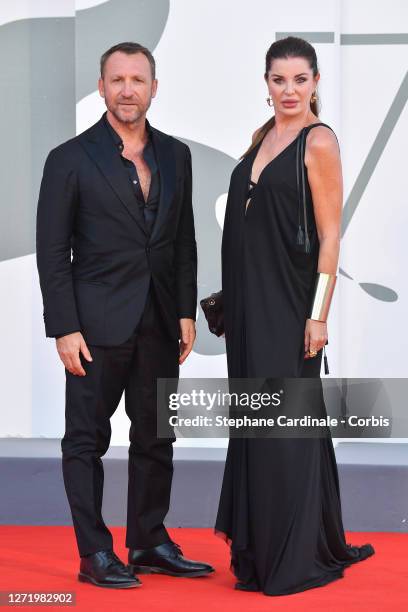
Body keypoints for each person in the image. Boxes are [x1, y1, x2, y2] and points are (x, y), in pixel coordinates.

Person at [36, 41, 214, 589]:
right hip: (93, 328)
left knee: (157, 436)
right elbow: (52, 251)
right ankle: (94, 552)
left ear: (154, 88)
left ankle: (148, 540)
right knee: (85, 441)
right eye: (118, 79)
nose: (128, 89)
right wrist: (64, 326)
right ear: (102, 87)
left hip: (160, 320)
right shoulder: (69, 158)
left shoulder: (176, 156)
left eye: (138, 79)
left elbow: (183, 240)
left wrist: (185, 310)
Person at [215, 36, 374, 596]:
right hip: (248, 306)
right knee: (259, 425)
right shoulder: (262, 138)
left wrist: (319, 314)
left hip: (289, 308)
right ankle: (261, 551)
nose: (289, 90)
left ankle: (294, 554)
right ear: (266, 84)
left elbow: (331, 236)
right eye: (278, 80)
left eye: (299, 80)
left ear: (316, 82)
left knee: (284, 427)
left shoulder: (319, 141)